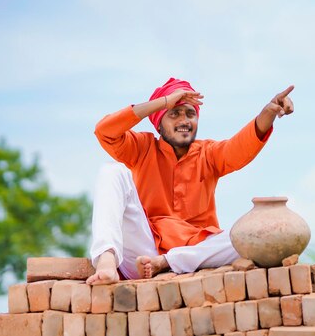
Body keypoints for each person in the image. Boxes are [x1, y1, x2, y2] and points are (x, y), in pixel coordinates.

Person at [86, 78, 294, 285]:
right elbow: (105, 131)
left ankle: (167, 262)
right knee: (111, 171)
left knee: (253, 234)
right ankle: (106, 259)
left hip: (196, 254)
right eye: (174, 113)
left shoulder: (208, 153)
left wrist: (269, 113)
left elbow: (240, 147)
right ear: (158, 123)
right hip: (144, 253)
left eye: (190, 114)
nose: (184, 120)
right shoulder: (142, 148)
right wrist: (164, 102)